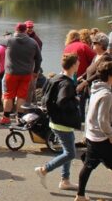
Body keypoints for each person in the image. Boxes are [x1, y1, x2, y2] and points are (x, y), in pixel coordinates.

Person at [76, 61, 112, 201]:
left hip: (92, 135)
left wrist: (87, 133)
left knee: (88, 166)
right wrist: (111, 135)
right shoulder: (107, 95)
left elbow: (89, 113)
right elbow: (102, 119)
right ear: (110, 76)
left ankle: (80, 195)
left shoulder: (96, 89)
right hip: (102, 137)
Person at [35, 54, 80, 191]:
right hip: (62, 123)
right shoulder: (66, 83)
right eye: (77, 63)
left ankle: (65, 180)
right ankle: (44, 170)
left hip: (55, 120)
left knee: (69, 149)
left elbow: (44, 93)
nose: (78, 65)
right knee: (70, 153)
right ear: (73, 65)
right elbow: (63, 101)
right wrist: (75, 101)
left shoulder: (55, 78)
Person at [0, 23, 42, 125]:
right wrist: (35, 71)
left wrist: (10, 35)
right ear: (25, 30)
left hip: (11, 73)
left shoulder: (9, 40)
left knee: (8, 96)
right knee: (21, 96)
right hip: (26, 73)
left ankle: (6, 117)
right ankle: (20, 118)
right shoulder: (33, 42)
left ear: (16, 30)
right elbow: (39, 59)